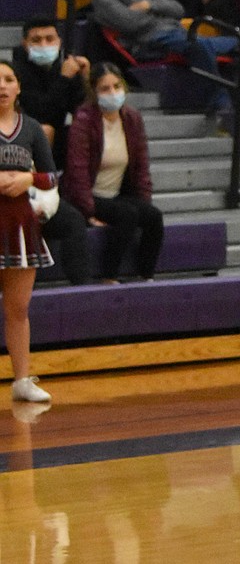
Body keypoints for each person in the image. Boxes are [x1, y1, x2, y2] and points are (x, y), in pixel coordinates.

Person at [93, 0, 240, 123]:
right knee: (198, 44)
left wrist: (148, 5)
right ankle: (221, 104)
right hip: (150, 42)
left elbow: (178, 10)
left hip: (180, 36)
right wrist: (160, 13)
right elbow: (129, 23)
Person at [63, 67, 163, 283]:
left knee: (153, 216)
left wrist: (143, 203)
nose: (112, 93)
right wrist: (87, 211)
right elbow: (77, 170)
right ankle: (109, 275)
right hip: (89, 195)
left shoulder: (133, 119)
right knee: (127, 214)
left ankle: (147, 275)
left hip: (117, 193)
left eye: (117, 87)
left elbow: (141, 167)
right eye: (105, 88)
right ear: (94, 92)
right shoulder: (84, 120)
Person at [10, 20, 90, 284]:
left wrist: (84, 80)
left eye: (49, 39)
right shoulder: (19, 72)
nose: (44, 45)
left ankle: (83, 291)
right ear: (25, 43)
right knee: (44, 129)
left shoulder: (63, 66)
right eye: (36, 40)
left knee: (74, 222)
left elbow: (85, 116)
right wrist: (65, 79)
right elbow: (42, 111)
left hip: (38, 180)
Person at [0, 58, 56, 406]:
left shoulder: (32, 128)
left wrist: (27, 179)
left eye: (8, 79)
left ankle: (22, 379)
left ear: (18, 87)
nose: (1, 86)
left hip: (19, 224)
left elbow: (51, 177)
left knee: (18, 309)